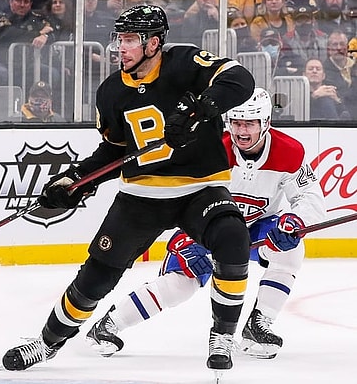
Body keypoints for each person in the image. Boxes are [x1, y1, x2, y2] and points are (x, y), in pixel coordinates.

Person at [0, 4, 254, 375]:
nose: (121, 47)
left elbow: (240, 80)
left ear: (154, 43)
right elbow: (114, 151)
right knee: (95, 279)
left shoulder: (185, 63)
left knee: (233, 238)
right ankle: (47, 342)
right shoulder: (111, 92)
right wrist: (74, 179)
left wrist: (200, 110)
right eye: (119, 39)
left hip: (201, 188)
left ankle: (223, 335)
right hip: (142, 197)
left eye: (130, 39)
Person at [88, 87, 326, 360]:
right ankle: (109, 324)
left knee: (291, 249)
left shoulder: (289, 152)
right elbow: (179, 198)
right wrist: (184, 239)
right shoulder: (212, 150)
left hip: (255, 229)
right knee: (180, 286)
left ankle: (258, 325)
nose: (242, 131)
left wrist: (294, 221)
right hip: (207, 230)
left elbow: (310, 196)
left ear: (266, 123)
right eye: (236, 122)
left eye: (250, 123)